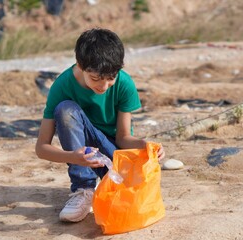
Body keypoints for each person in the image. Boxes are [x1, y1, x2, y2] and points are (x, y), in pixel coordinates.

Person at [35, 28, 165, 223]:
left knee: (129, 189)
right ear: (80, 65)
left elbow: (123, 138)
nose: (103, 87)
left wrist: (145, 145)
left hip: (113, 156)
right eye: (96, 79)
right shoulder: (62, 86)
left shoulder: (124, 84)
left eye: (110, 78)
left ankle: (104, 183)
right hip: (84, 154)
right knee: (65, 109)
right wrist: (73, 157)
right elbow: (41, 148)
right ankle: (84, 188)